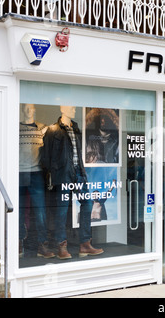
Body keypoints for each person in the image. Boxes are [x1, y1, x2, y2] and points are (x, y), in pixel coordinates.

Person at [42, 106, 104, 259]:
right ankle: (61, 246)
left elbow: (79, 152)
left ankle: (84, 244)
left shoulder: (75, 129)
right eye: (71, 107)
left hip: (78, 172)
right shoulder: (53, 130)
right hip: (62, 174)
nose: (74, 110)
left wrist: (82, 171)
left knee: (88, 203)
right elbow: (46, 157)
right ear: (63, 109)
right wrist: (52, 175)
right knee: (62, 210)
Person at [19, 103, 54, 259]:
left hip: (36, 173)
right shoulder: (15, 128)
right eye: (25, 107)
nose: (28, 109)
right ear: (22, 110)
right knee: (18, 210)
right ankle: (18, 242)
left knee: (40, 210)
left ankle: (42, 244)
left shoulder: (43, 128)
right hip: (18, 172)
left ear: (34, 110)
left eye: (31, 107)